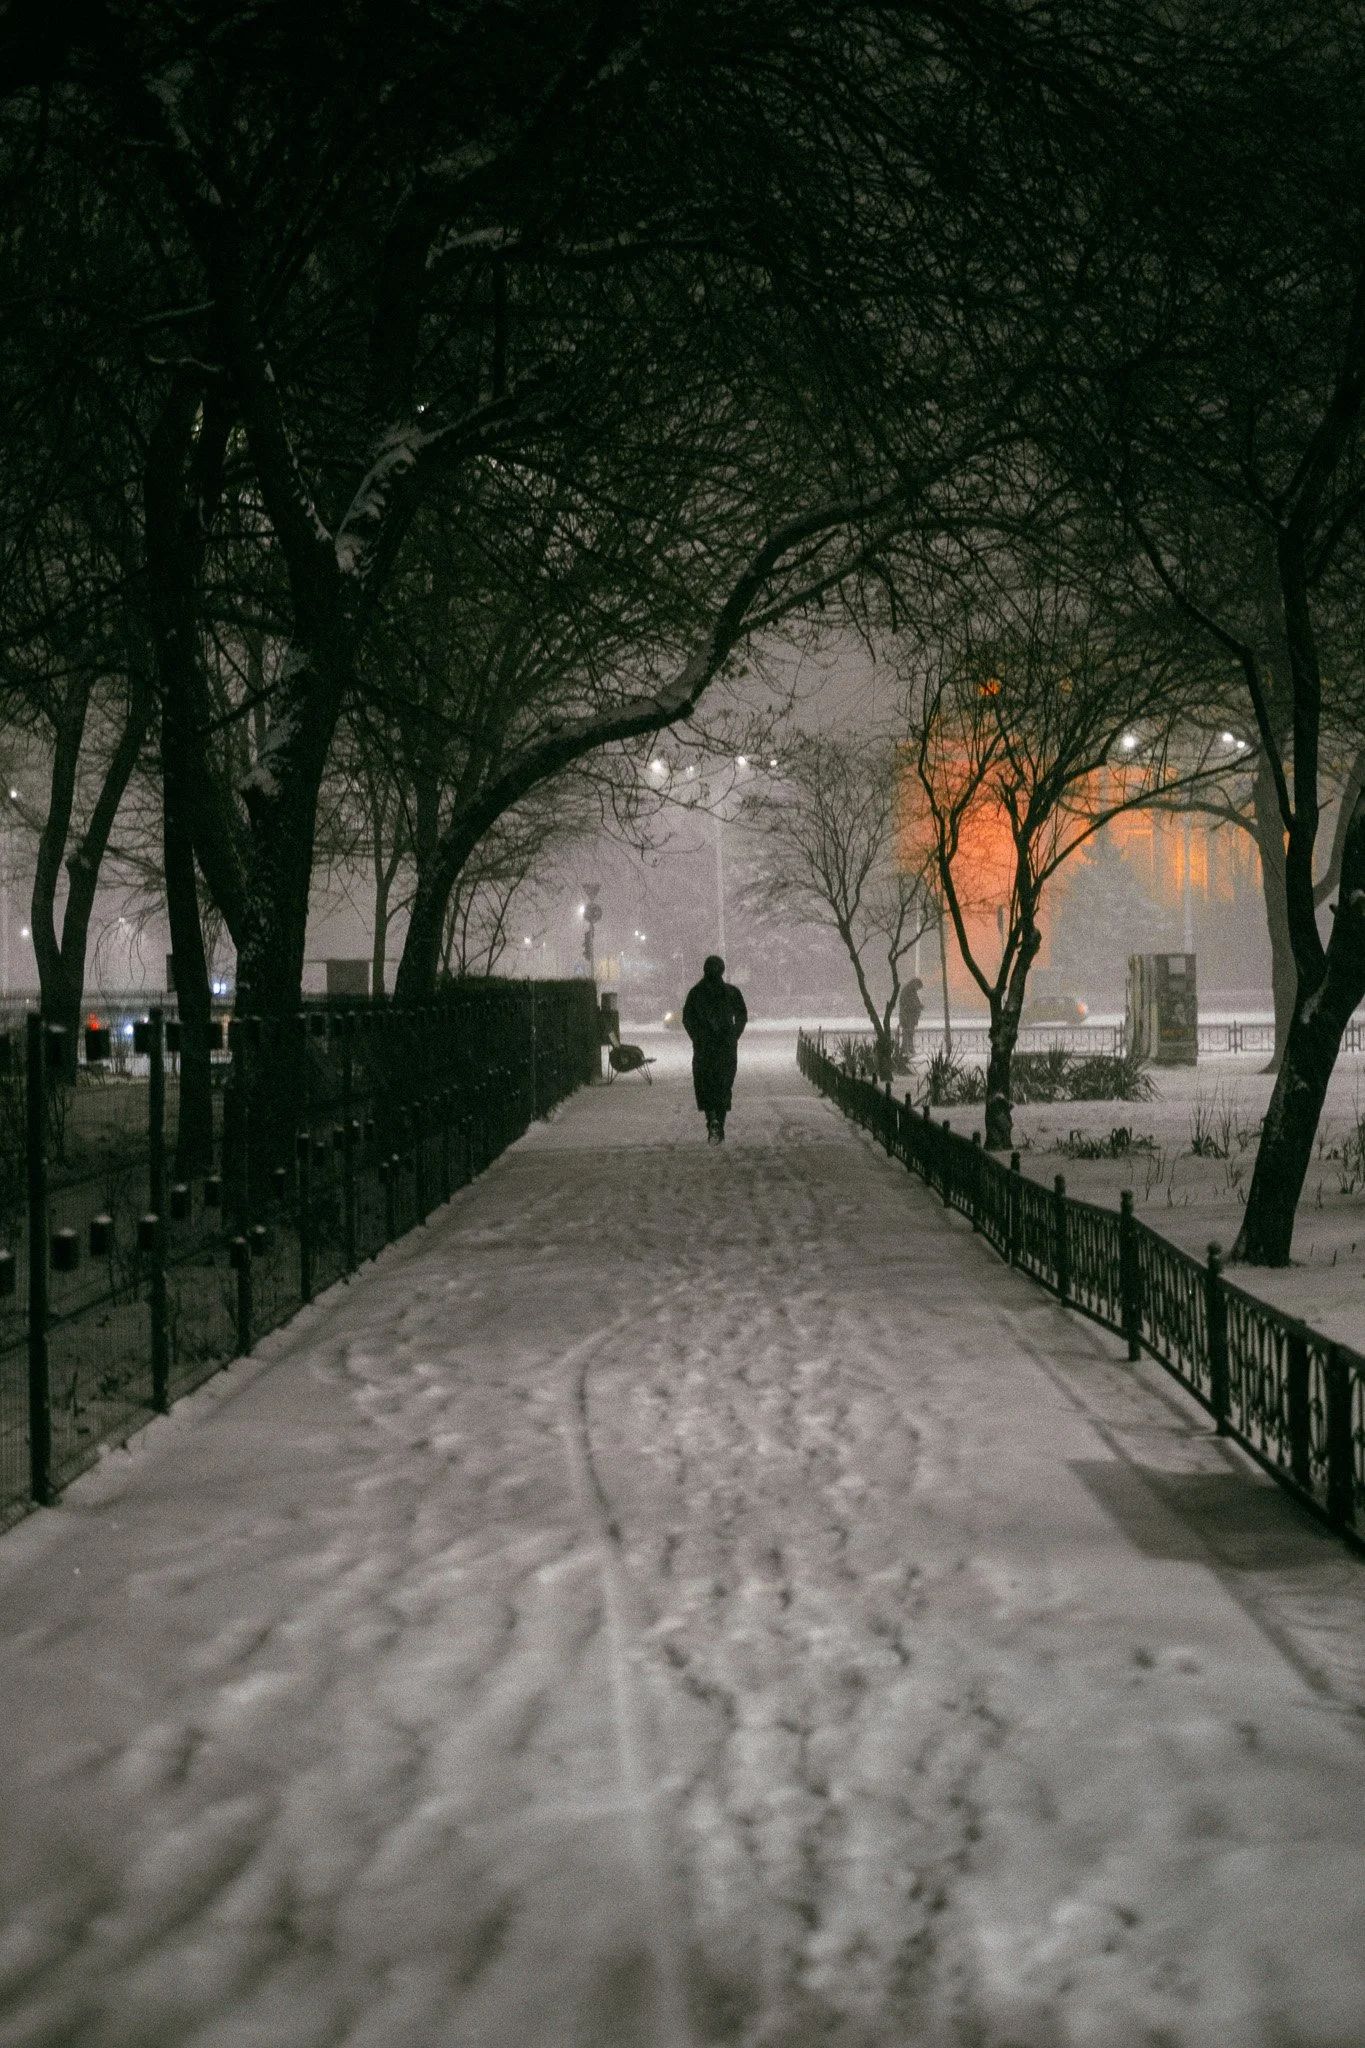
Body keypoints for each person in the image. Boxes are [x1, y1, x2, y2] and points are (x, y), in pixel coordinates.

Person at [682, 954, 747, 1143]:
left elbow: (687, 1019)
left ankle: (711, 1118)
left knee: (705, 1084)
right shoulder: (731, 992)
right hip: (725, 1047)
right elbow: (742, 1015)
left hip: (704, 1048)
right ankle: (720, 1120)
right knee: (723, 1085)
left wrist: (697, 1037)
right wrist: (734, 1034)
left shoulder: (695, 993)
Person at [898, 977, 923, 1056]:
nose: (917, 989)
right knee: (907, 1033)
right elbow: (908, 1004)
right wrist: (918, 1006)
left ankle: (908, 1049)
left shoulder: (910, 991)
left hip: (909, 1017)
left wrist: (918, 1006)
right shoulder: (908, 991)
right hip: (907, 1017)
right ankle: (906, 1050)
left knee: (909, 1033)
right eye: (918, 987)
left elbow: (912, 1003)